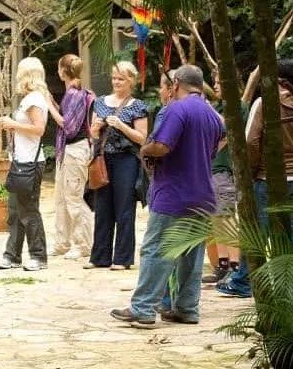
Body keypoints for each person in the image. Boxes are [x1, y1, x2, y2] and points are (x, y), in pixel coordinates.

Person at [111, 65, 224, 327]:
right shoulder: (210, 112)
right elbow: (224, 136)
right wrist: (203, 156)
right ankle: (186, 309)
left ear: (175, 84)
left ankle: (143, 309)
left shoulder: (177, 108)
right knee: (190, 256)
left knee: (156, 250)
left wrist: (145, 151)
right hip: (203, 195)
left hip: (174, 193)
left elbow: (161, 146)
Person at [217, 59, 293, 298]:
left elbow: (250, 141)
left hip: (267, 179)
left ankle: (243, 282)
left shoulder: (264, 103)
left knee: (256, 233)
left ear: (277, 80)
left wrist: (248, 174)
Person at [84, 61, 148, 270]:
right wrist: (96, 128)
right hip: (103, 158)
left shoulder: (137, 106)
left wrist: (120, 125)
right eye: (114, 78)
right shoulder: (101, 102)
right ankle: (99, 256)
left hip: (126, 160)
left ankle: (122, 258)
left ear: (131, 81)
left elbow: (141, 138)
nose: (116, 82)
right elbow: (93, 133)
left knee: (124, 208)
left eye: (121, 78)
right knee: (102, 207)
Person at [0, 57, 50, 271]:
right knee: (15, 211)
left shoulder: (35, 99)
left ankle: (39, 256)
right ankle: (12, 255)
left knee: (29, 210)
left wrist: (12, 124)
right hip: (20, 161)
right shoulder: (29, 98)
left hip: (30, 163)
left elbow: (39, 129)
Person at [46, 54, 94, 260]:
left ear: (64, 72)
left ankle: (83, 244)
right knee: (61, 199)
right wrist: (51, 101)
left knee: (74, 198)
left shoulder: (74, 94)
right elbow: (66, 116)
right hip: (66, 151)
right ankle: (62, 241)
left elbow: (69, 127)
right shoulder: (70, 94)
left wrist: (49, 107)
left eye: (58, 68)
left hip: (76, 150)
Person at [201, 73, 245, 284]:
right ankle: (222, 264)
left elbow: (228, 129)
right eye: (215, 81)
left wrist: (206, 107)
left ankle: (235, 266)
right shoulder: (217, 107)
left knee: (226, 216)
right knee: (215, 218)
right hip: (210, 167)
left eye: (220, 81)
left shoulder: (240, 107)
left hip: (226, 168)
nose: (216, 85)